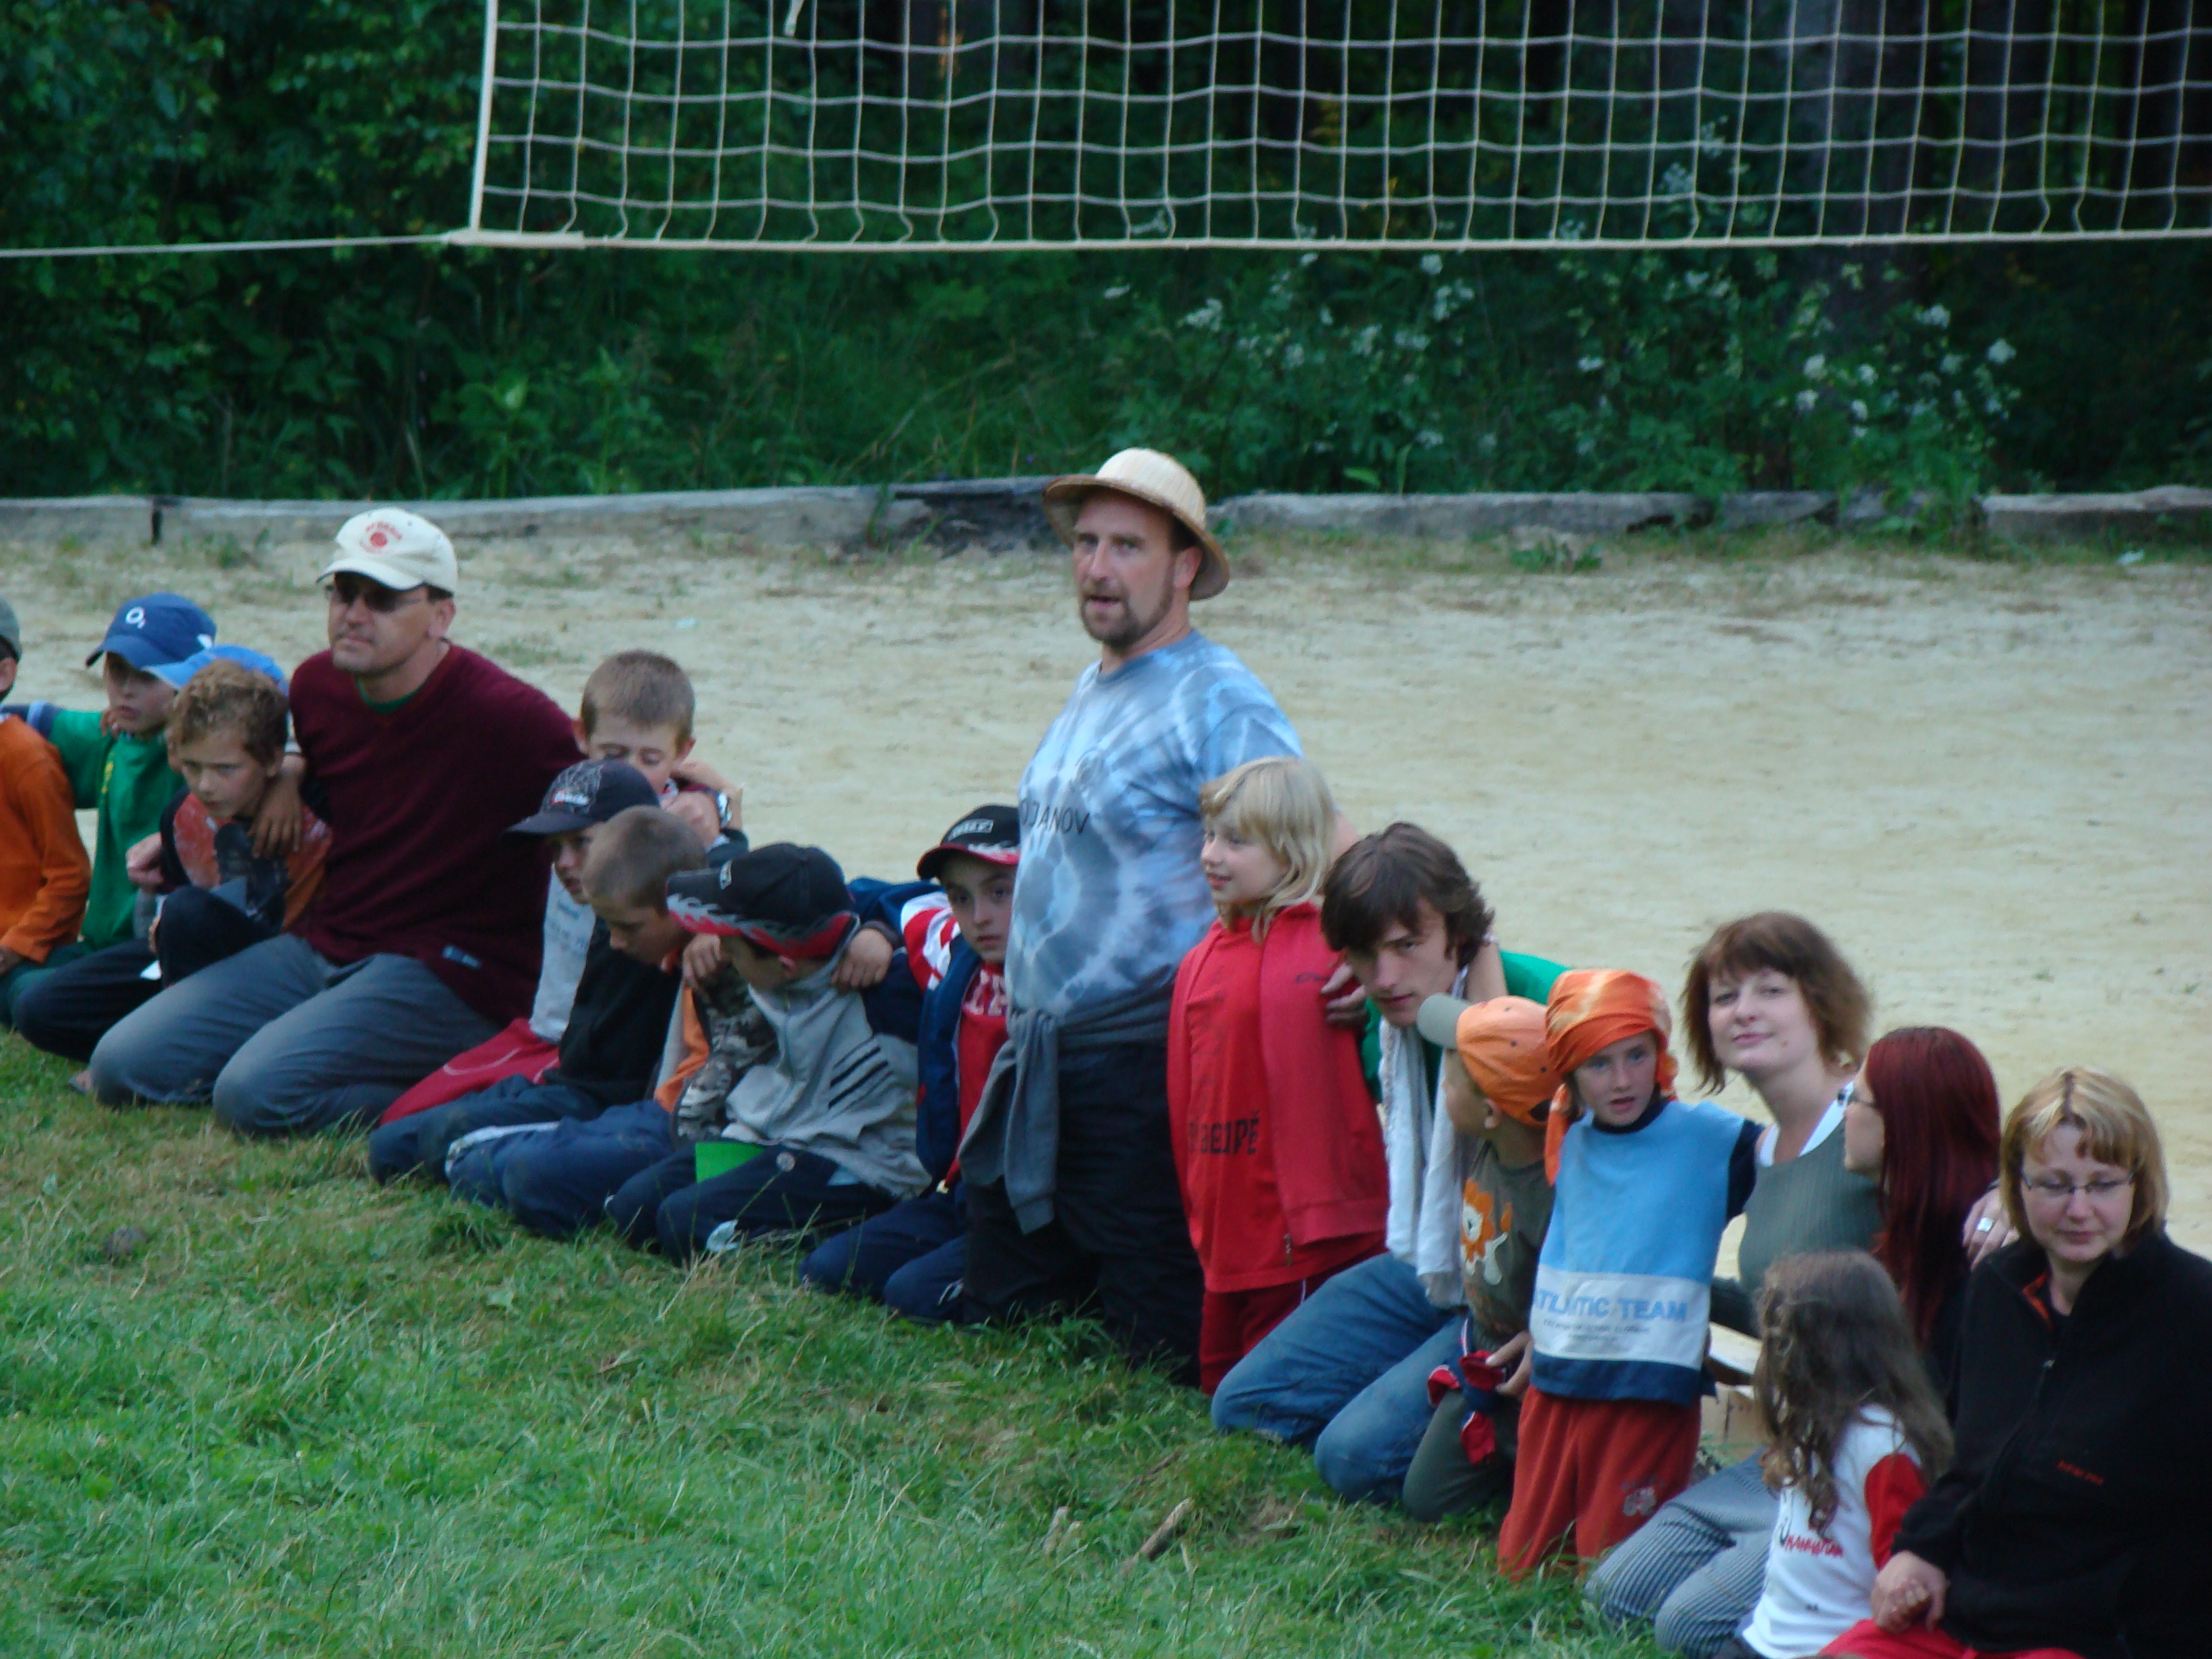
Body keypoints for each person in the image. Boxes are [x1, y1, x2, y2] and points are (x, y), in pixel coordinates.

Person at [958, 448, 1303, 1384]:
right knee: (995, 1314)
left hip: (1142, 1066)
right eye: (1086, 543)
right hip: (1044, 1060)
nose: (1097, 568)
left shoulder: (1217, 696)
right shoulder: (1095, 685)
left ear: (1185, 566)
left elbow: (1310, 836)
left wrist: (1355, 949)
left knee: (1156, 1347)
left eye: (1127, 547)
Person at [85, 508, 580, 1136]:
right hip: (332, 937)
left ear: (441, 615)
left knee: (252, 1096)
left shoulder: (508, 715)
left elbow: (617, 782)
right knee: (120, 1066)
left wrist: (698, 796)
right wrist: (286, 774)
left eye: (383, 599)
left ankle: (475, 1086)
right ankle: (304, 1062)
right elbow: (267, 748)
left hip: (453, 968)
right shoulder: (319, 686)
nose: (354, 613)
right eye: (343, 593)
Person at [1210, 823, 1565, 1503]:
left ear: (1459, 934)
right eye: (1364, 954)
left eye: (1406, 946)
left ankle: (1479, 1422)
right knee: (1246, 1404)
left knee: (1352, 1458)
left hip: (1529, 1294)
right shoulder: (1384, 1021)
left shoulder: (1547, 1005)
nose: (1385, 977)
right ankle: (1427, 1382)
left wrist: (1558, 1323)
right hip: (1433, 1258)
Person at [1841, 1069, 2212, 1659]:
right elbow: (1968, 1464)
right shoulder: (1996, 1288)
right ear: (2017, 1186)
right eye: (2055, 1185)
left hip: (2106, 1634)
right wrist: (1921, 1550)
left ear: (2140, 1185)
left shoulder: (2193, 1309)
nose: (2079, 1209)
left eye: (2103, 1184)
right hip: (1971, 1608)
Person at [1588, 912, 1877, 1651]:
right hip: (1789, 1452)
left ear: (1821, 1003)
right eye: (1724, 997)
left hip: (1868, 1466)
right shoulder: (1765, 1150)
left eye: (1770, 990)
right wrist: (1663, 1298)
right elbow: (1787, 1313)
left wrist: (1994, 1205)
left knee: (1691, 1628)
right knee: (1615, 1596)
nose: (1744, 1010)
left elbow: (1967, 1183)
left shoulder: (1873, 1124)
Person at [380, 651, 735, 1126]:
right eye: (614, 754)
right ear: (582, 737)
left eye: (650, 759)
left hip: (594, 1060)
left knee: (425, 1125)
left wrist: (724, 819)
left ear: (681, 755)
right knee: (407, 1115)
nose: (631, 770)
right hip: (545, 1031)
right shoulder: (573, 798)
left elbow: (730, 867)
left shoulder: (674, 830)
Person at [1495, 969, 1760, 1578]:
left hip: (1649, 1386)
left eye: (1637, 1055)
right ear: (1569, 1073)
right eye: (1598, 1064)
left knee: (1615, 1572)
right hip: (1559, 1379)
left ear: (1659, 1053)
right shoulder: (1567, 1136)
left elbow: (1803, 1163)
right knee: (1523, 1564)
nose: (1621, 1080)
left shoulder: (1713, 1140)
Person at [1166, 758, 1387, 1393]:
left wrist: (1369, 990)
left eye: (1237, 841)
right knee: (1218, 1383)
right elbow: (1184, 1097)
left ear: (1293, 853)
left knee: (1259, 1401)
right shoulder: (1200, 958)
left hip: (1310, 1242)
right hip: (1226, 1233)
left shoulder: (1337, 953)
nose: (1212, 855)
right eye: (1210, 835)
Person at [605, 843, 928, 1262]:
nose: (721, 952)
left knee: (684, 1224)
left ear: (784, 965)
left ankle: (854, 1225)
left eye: (732, 946)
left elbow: (941, 910)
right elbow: (858, 893)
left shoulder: (890, 994)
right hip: (771, 1138)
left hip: (854, 1165)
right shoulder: (795, 944)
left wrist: (885, 933)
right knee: (635, 1209)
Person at [366, 777, 695, 1185]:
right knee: (390, 1145)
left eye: (582, 843)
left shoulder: (662, 916)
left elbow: (720, 867)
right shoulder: (606, 912)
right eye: (554, 849)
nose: (565, 863)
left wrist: (718, 808)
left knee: (463, 1151)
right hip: (561, 1082)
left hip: (603, 1106)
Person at [12, 653, 330, 1066]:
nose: (206, 785)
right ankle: (158, 1044)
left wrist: (291, 772)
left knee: (188, 911)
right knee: (39, 1008)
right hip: (192, 975)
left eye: (225, 769)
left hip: (288, 974)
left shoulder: (317, 806)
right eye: (193, 767)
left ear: (271, 760)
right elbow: (173, 929)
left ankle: (170, 1051)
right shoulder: (182, 814)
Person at [800, 804, 1019, 1323]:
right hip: (965, 1195)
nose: (979, 916)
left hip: (1031, 1211)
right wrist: (880, 931)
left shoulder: (1075, 979)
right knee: (829, 1269)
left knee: (912, 1294)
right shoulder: (951, 948)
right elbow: (884, 896)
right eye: (961, 897)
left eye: (1000, 892)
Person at [1723, 1253, 1950, 1659]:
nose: (1774, 1357)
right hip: (1766, 1636)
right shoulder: (1808, 1415)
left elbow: (1903, 1570)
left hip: (1829, 1644)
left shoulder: (1881, 1444)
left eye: (1786, 1341)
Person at [0, 592, 216, 1019]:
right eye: (117, 671)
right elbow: (37, 718)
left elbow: (265, 715)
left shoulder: (206, 757)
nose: (126, 690)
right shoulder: (112, 736)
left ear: (193, 682)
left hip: (159, 949)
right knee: (23, 983)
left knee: (31, 998)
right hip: (98, 945)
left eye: (147, 676)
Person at [1399, 992, 1560, 1522]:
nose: (1443, 1090)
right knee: (1425, 1499)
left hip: (1535, 1374)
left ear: (1492, 1113)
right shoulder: (1499, 1144)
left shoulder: (1555, 1195)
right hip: (1482, 1351)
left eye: (1449, 1084)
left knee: (1551, 1509)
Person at [1841, 1027, 2002, 1388]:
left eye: (1853, 1098)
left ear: (1898, 1121)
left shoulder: (1983, 1266)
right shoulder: (1919, 1241)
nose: (1845, 1113)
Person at [0, 596, 91, 1023]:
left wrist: (15, 947)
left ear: (4, 674)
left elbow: (71, 876)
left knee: (29, 998)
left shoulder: (26, 759)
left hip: (23, 949)